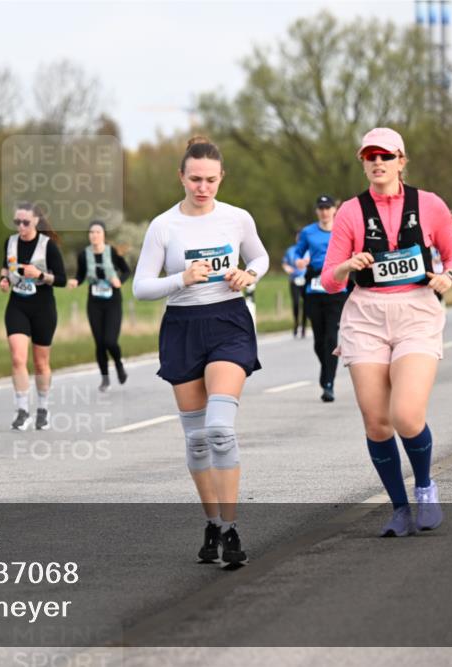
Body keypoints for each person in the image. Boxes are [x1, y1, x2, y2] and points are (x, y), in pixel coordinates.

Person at [321, 127, 452, 537]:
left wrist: (449, 275)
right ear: (362, 162)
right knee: (377, 423)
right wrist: (348, 266)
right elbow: (330, 280)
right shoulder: (350, 211)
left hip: (416, 312)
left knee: (405, 414)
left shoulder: (429, 205)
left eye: (386, 156)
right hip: (365, 316)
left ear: (401, 161)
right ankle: (400, 509)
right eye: (370, 157)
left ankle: (424, 488)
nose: (378, 163)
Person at [133, 136, 269, 568]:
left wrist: (247, 275)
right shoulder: (163, 226)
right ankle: (212, 523)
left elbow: (262, 258)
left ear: (220, 178)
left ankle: (231, 530)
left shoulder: (237, 218)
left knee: (219, 430)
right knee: (196, 441)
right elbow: (140, 287)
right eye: (194, 179)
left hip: (229, 324)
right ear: (181, 177)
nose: (202, 187)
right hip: (182, 329)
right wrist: (182, 279)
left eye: (210, 179)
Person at [0, 203, 66, 429]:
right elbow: (5, 267)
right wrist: (4, 280)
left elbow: (62, 280)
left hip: (43, 308)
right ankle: (22, 410)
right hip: (17, 305)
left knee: (40, 363)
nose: (21, 226)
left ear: (36, 221)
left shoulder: (48, 246)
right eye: (17, 222)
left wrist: (40, 274)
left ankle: (43, 408)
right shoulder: (10, 242)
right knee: (18, 358)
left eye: (26, 222)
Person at [294, 195, 349, 402]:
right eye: (321, 208)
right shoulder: (308, 232)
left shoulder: (342, 229)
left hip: (336, 289)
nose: (324, 212)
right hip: (314, 289)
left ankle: (328, 383)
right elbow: (298, 253)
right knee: (319, 341)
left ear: (334, 209)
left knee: (331, 338)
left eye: (328, 208)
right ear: (317, 211)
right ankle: (326, 368)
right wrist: (299, 261)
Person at [67, 221, 132, 391]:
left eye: (97, 232)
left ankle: (118, 363)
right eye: (91, 232)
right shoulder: (84, 255)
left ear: (103, 235)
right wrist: (75, 281)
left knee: (110, 341)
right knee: (100, 343)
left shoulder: (112, 253)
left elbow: (126, 270)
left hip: (112, 302)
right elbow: (81, 275)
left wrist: (120, 281)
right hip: (94, 302)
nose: (94, 235)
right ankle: (105, 379)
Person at [281, 233, 308, 338]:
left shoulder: (308, 250)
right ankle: (296, 324)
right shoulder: (291, 250)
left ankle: (304, 327)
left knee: (306, 304)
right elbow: (285, 262)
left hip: (306, 279)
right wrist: (287, 268)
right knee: (296, 303)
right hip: (294, 280)